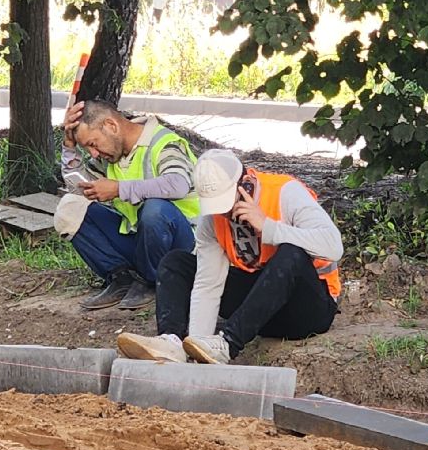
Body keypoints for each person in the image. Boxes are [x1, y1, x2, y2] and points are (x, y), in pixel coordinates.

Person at [116, 150, 341, 364]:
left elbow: (333, 247)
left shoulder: (285, 192)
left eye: (227, 203)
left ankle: (228, 344)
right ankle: (171, 343)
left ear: (246, 184)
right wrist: (198, 343)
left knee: (291, 252)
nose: (224, 213)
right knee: (176, 263)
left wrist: (269, 228)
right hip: (259, 312)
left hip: (308, 310)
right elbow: (208, 285)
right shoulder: (211, 220)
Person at [53, 99, 199, 311]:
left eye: (93, 144)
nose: (93, 153)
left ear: (111, 126)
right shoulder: (111, 156)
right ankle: (122, 278)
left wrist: (119, 189)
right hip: (142, 241)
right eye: (87, 149)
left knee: (155, 209)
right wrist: (69, 146)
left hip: (184, 246)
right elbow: (79, 189)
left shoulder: (165, 143)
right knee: (69, 207)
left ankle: (151, 281)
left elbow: (178, 184)